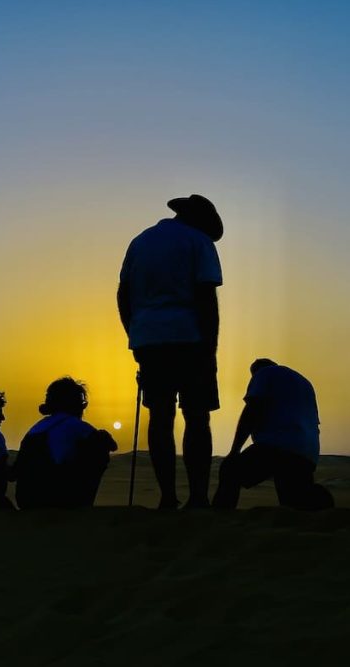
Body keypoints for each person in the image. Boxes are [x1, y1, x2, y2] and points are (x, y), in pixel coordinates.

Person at [117, 194, 223, 509]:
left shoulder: (140, 242)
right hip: (190, 339)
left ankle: (167, 497)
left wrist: (134, 334)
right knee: (197, 416)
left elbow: (123, 295)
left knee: (160, 417)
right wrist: (211, 347)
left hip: (150, 341)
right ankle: (198, 497)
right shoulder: (199, 242)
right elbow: (206, 298)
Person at [212, 359, 334, 511]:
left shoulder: (264, 374)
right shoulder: (304, 383)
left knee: (231, 470)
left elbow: (252, 410)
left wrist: (234, 450)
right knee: (294, 501)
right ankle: (320, 502)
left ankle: (219, 517)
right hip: (307, 452)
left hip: (276, 446)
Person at [13, 377, 117, 509]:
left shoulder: (36, 428)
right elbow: (112, 446)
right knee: (99, 447)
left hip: (25, 498)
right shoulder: (77, 426)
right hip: (55, 498)